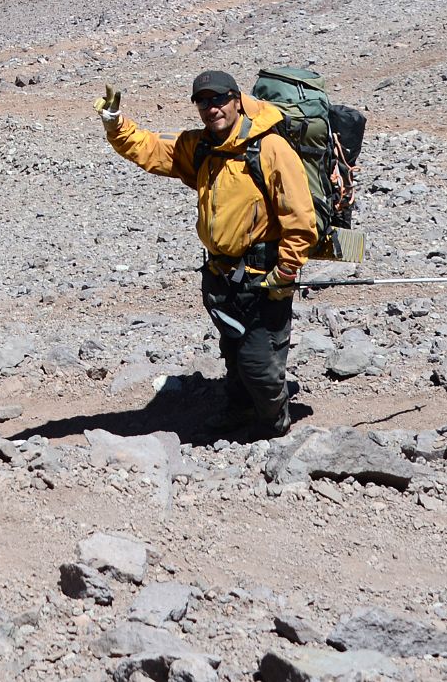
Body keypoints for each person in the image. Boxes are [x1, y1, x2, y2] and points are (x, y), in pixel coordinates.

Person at [93, 70, 317, 439]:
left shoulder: (269, 148)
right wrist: (116, 124)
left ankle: (275, 425)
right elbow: (150, 149)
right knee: (232, 348)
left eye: (219, 99)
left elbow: (300, 217)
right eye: (203, 101)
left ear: (237, 99)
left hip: (264, 275)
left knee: (260, 364)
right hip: (219, 275)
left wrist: (287, 271)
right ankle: (240, 407)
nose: (212, 108)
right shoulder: (200, 147)